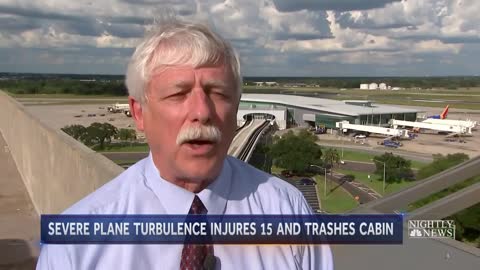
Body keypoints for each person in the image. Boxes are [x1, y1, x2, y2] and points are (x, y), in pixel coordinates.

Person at [36, 17, 333, 270]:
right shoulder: (77, 243)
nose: (202, 112)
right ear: (139, 112)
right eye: (178, 94)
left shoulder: (287, 211)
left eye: (218, 93)